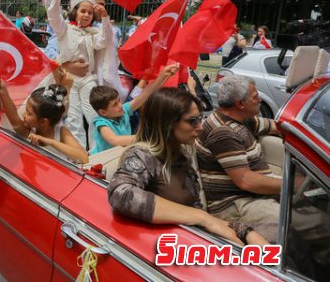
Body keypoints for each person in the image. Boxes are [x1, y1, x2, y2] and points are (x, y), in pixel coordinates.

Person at [108, 88, 268, 247]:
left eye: (200, 118)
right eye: (192, 121)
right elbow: (120, 194)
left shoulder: (181, 152)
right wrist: (201, 217)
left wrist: (244, 231)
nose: (200, 127)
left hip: (193, 240)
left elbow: (200, 214)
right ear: (167, 123)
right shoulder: (142, 155)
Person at [196, 75, 281, 242]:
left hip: (251, 196)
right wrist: (291, 185)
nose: (260, 99)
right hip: (234, 204)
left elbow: (276, 126)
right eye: (255, 96)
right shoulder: (223, 131)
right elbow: (246, 181)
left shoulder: (242, 119)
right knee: (295, 223)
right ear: (240, 104)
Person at [48, 0, 112, 150]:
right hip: (69, 80)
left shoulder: (92, 33)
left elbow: (105, 40)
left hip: (87, 79)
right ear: (75, 11)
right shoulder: (65, 29)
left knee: (94, 114)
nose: (86, 15)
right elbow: (53, 16)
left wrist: (105, 18)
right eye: (83, 11)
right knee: (74, 118)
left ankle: (96, 151)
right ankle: (78, 154)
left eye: (90, 13)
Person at [0, 72, 88, 164]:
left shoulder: (61, 132)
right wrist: (3, 92)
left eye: (28, 113)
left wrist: (50, 142)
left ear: (43, 122)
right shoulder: (29, 132)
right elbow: (14, 119)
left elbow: (83, 157)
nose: (24, 115)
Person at [89, 64, 179, 154]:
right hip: (104, 160)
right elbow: (115, 140)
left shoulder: (124, 110)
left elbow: (145, 94)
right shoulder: (101, 122)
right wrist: (148, 137)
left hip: (122, 153)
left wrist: (162, 76)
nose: (120, 105)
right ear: (103, 112)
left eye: (119, 101)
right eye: (115, 104)